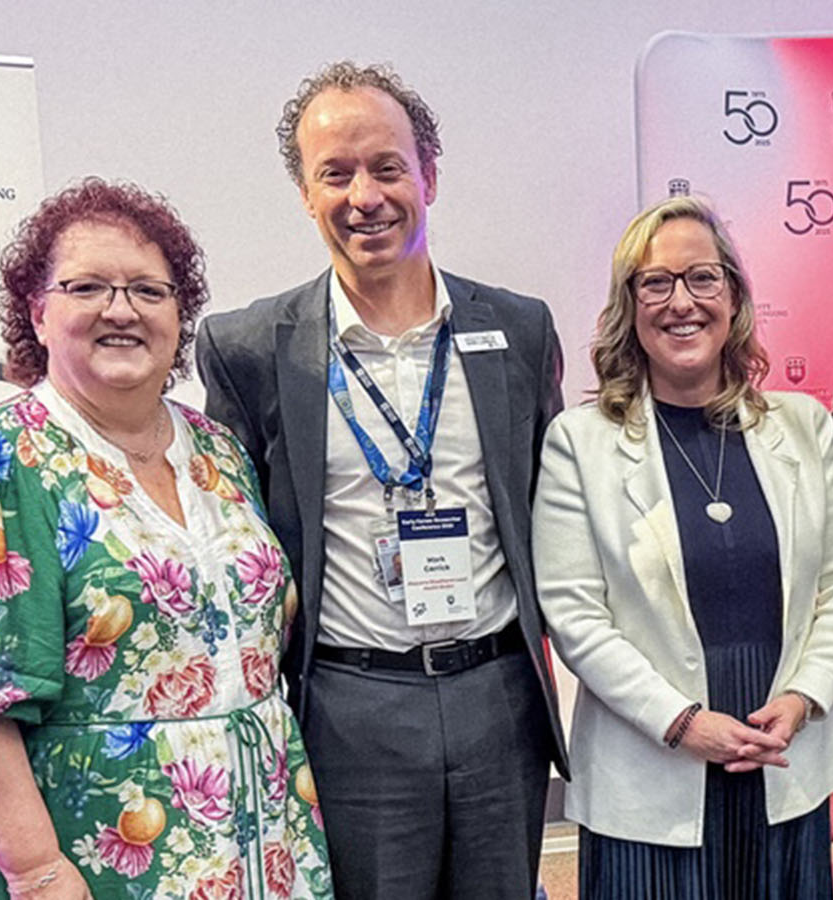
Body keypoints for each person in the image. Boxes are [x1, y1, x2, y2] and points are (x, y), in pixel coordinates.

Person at [0, 178, 332, 898]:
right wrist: (39, 875)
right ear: (36, 312)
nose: (121, 309)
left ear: (179, 316)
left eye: (148, 291)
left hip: (263, 845)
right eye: (87, 286)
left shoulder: (217, 451)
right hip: (91, 861)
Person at [195, 61, 568, 899]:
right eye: (336, 173)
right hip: (350, 704)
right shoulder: (249, 346)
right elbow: (235, 536)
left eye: (387, 167)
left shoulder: (515, 328)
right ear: (305, 192)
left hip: (498, 693)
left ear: (428, 175)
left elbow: (553, 510)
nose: (364, 195)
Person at [534, 195, 833, 900]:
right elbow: (574, 613)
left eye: (702, 278)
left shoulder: (803, 427)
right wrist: (682, 722)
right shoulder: (582, 442)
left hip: (782, 751)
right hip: (648, 767)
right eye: (655, 283)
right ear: (629, 306)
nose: (680, 302)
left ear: (734, 296)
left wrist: (806, 697)